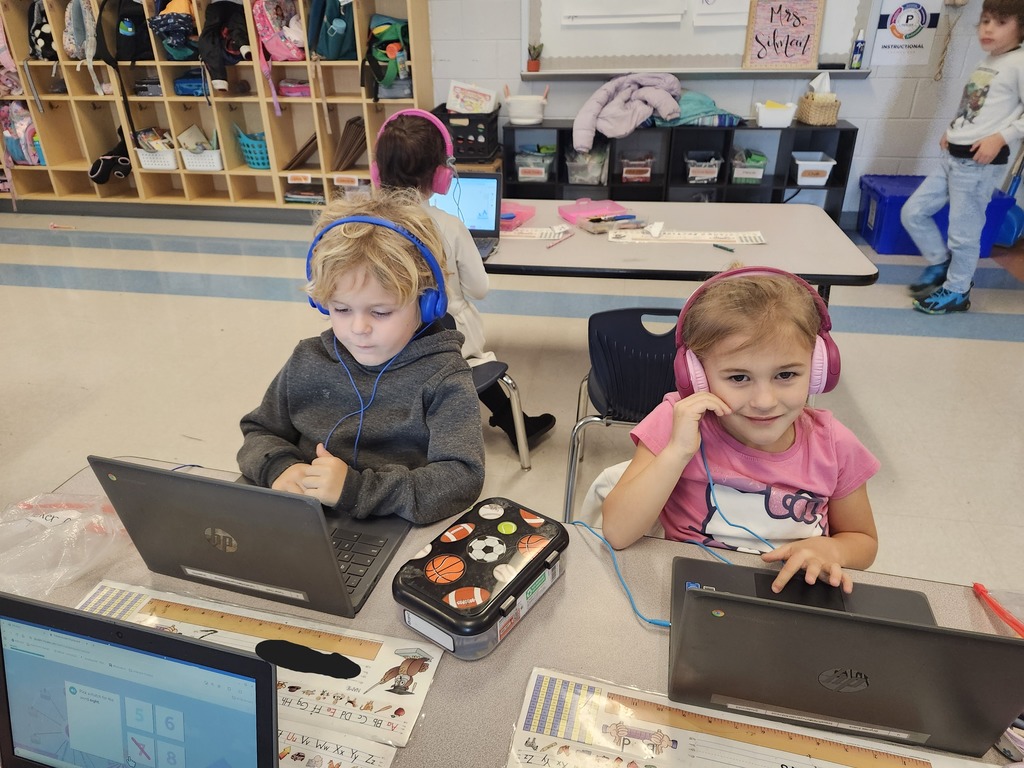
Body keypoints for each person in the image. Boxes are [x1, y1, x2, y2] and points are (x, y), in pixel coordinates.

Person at [602, 267, 879, 593]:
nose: (764, 401)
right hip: (697, 589)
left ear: (818, 370)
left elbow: (863, 542)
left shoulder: (835, 445)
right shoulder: (676, 424)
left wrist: (831, 549)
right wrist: (677, 452)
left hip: (796, 591)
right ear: (697, 377)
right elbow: (617, 532)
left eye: (786, 375)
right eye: (738, 378)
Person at [237, 188, 485, 525]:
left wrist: (357, 489)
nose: (358, 328)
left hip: (393, 527)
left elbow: (461, 477)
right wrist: (279, 465)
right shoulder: (307, 359)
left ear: (428, 303)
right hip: (307, 522)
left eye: (381, 312)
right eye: (340, 309)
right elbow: (258, 430)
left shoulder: (444, 377)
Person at [373, 109, 556, 451]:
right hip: (442, 342)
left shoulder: (364, 224)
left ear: (376, 170)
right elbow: (480, 289)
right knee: (463, 340)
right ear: (441, 176)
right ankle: (517, 427)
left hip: (379, 341)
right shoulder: (449, 226)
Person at [901, 0, 1024, 314]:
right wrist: (952, 128)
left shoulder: (1020, 62)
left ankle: (957, 291)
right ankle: (942, 265)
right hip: (953, 156)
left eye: (999, 22)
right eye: (984, 21)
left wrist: (1000, 137)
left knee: (963, 234)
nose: (987, 28)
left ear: (1020, 27)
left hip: (978, 165)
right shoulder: (989, 61)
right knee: (913, 212)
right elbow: (975, 105)